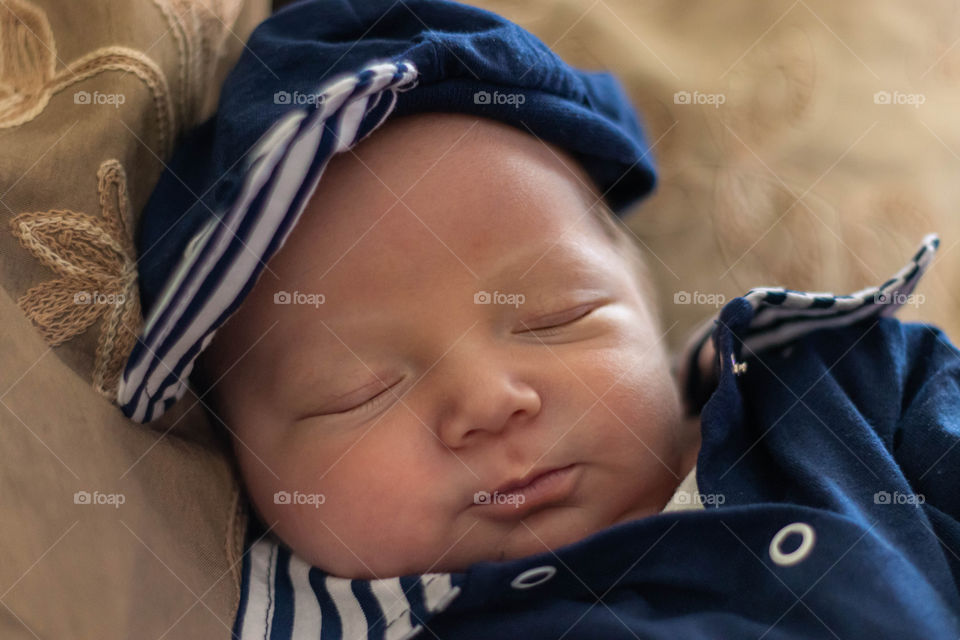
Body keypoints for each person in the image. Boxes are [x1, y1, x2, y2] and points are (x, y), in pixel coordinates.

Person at [119, 1, 960, 638]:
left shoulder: (851, 391)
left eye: (558, 316)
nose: (489, 403)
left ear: (642, 297)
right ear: (241, 454)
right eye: (358, 391)